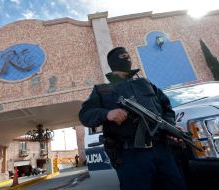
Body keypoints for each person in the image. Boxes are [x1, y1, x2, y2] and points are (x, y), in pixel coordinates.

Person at [79, 47, 187, 190]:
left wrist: (170, 127)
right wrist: (107, 114)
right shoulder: (102, 89)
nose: (127, 58)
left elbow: (166, 107)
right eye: (123, 56)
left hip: (162, 151)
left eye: (128, 55)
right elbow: (85, 114)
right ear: (114, 62)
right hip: (130, 156)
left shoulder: (145, 83)